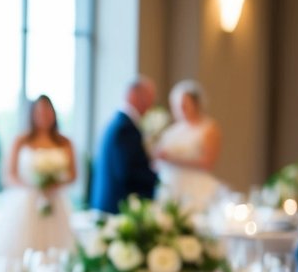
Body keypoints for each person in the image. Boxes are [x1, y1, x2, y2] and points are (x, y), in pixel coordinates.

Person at [0, 95, 77, 272]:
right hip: (26, 201)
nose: (43, 115)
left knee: (56, 248)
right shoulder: (21, 140)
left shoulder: (64, 141)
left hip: (54, 202)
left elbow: (73, 175)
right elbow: (8, 175)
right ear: (32, 114)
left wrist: (54, 183)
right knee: (20, 248)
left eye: (47, 111)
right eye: (39, 111)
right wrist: (33, 186)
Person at [89, 76, 158, 214]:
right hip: (118, 206)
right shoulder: (125, 128)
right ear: (133, 95)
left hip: (110, 203)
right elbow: (127, 171)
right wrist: (157, 177)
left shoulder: (119, 122)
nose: (150, 104)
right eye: (147, 98)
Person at [153, 79, 223, 213]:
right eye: (178, 105)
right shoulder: (172, 130)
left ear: (196, 104)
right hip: (170, 184)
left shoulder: (208, 128)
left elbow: (207, 163)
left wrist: (172, 159)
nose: (181, 108)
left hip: (194, 186)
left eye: (185, 104)